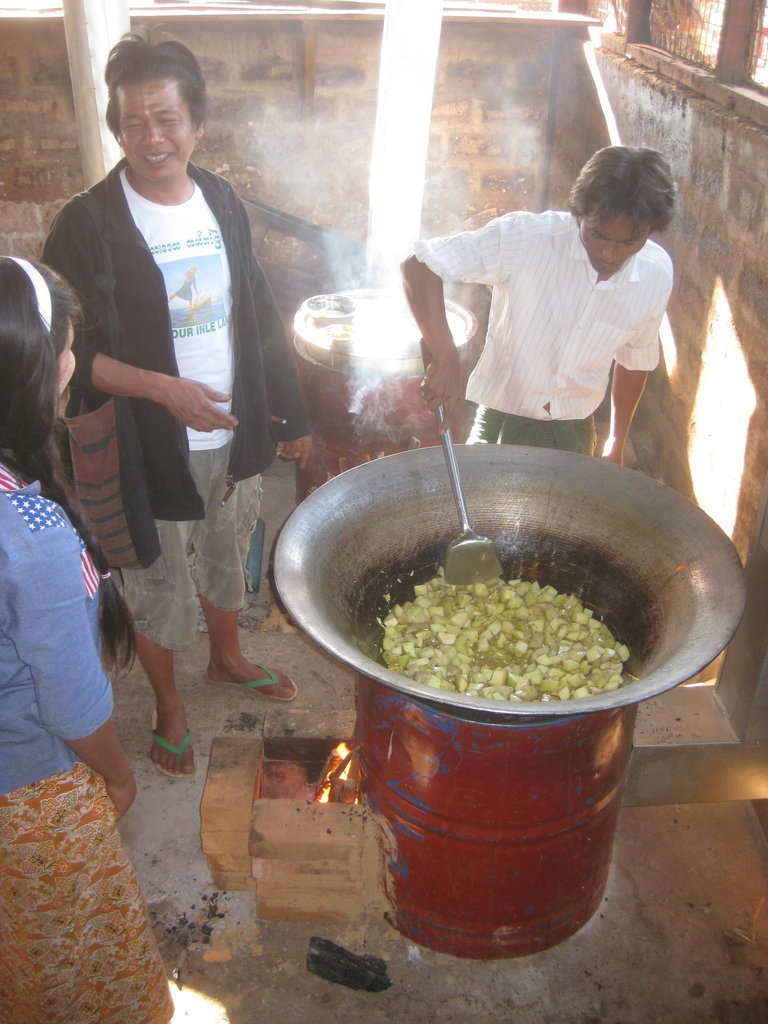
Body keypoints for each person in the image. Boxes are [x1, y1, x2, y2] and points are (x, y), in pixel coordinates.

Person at [43, 31, 314, 779]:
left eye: (167, 119)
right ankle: (167, 701)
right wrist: (165, 391)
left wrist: (288, 416)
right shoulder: (89, 223)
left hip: (231, 435)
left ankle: (226, 656)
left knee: (228, 556)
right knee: (157, 581)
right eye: (133, 122)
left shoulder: (221, 199)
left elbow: (256, 309)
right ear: (117, 129)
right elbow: (68, 355)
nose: (151, 138)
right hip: (145, 445)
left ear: (198, 124)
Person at [0, 256, 174, 1024]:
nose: (75, 363)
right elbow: (72, 702)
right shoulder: (29, 535)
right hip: (28, 791)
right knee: (88, 966)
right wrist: (116, 775)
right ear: (41, 367)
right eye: (68, 347)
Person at [401, 145, 677, 463]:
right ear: (580, 213)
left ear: (651, 230)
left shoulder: (655, 275)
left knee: (565, 511)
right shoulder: (528, 238)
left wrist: (616, 439)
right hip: (497, 416)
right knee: (485, 509)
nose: (609, 254)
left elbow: (634, 360)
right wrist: (446, 356)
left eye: (629, 242)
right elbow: (419, 266)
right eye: (598, 235)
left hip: (574, 429)